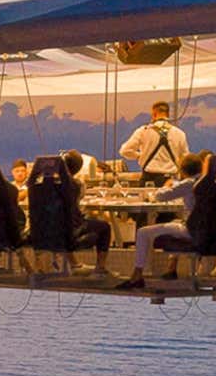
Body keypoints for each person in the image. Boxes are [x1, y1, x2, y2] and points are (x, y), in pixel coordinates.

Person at [120, 153, 204, 288]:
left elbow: (160, 197)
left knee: (142, 232)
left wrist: (166, 185)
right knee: (174, 223)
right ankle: (170, 269)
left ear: (182, 170)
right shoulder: (206, 183)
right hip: (205, 230)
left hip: (190, 230)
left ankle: (137, 275)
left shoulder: (188, 183)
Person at [62, 150, 111, 275]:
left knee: (62, 226)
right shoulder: (76, 184)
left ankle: (73, 263)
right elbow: (78, 199)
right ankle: (100, 268)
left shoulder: (45, 185)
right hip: (71, 233)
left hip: (46, 232)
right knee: (105, 227)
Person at [118, 101, 190, 187]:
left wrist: (139, 156)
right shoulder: (179, 133)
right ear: (168, 115)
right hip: (170, 181)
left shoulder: (143, 131)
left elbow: (124, 151)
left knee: (145, 200)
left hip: (149, 180)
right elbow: (185, 159)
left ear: (154, 114)